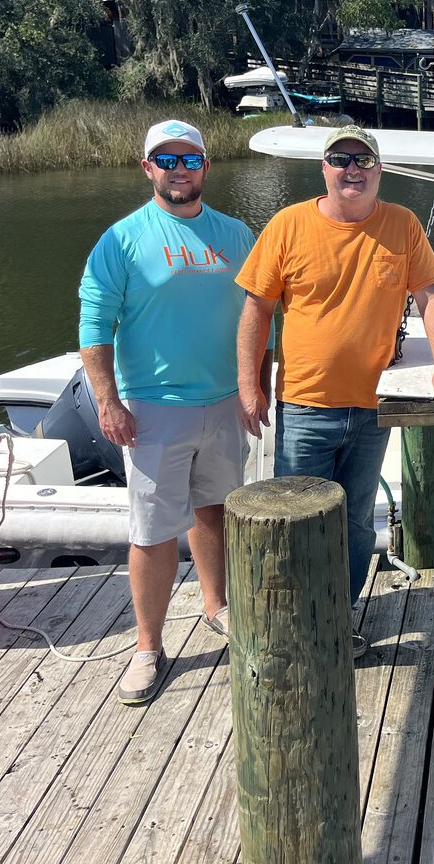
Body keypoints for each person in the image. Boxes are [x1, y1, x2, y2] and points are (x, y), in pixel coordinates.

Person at [235, 126, 434, 658]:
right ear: (323, 168)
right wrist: (249, 385)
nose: (353, 169)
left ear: (379, 170)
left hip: (372, 409)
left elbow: (430, 296)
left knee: (356, 524)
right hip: (304, 405)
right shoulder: (288, 225)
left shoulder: (402, 224)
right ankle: (296, 628)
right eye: (340, 158)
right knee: (295, 522)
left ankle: (337, 619)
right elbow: (256, 310)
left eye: (364, 160)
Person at [79, 120, 270, 705]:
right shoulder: (121, 240)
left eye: (189, 159)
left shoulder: (237, 234)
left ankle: (218, 606)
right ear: (148, 169)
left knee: (215, 510)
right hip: (153, 410)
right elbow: (94, 325)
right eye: (166, 159)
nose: (178, 169)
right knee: (153, 531)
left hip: (225, 403)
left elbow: (262, 314)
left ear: (206, 166)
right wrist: (108, 401)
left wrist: (257, 385)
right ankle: (148, 647)